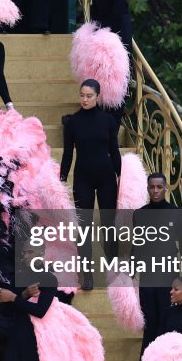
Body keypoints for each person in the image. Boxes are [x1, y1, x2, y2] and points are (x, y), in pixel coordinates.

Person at [59, 79, 122, 289]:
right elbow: (68, 155)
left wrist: (121, 176)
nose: (84, 99)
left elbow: (114, 152)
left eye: (89, 96)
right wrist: (61, 180)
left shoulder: (108, 121)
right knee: (83, 228)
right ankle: (86, 276)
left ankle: (114, 274)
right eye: (82, 95)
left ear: (97, 97)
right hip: (83, 179)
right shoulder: (73, 122)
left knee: (108, 226)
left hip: (106, 179)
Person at [133, 172, 182, 361]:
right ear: (148, 188)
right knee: (150, 324)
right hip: (148, 276)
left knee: (167, 321)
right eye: (152, 187)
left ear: (166, 188)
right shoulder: (140, 214)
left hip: (168, 275)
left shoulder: (176, 213)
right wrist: (131, 271)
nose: (156, 190)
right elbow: (137, 245)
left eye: (159, 187)